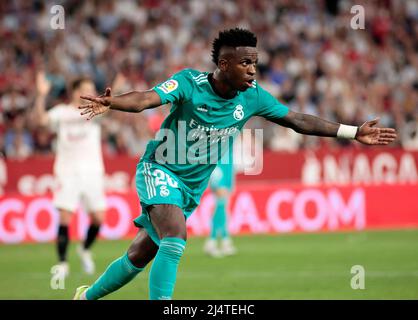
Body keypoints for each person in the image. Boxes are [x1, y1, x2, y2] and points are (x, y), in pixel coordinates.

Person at [73, 28, 396, 300]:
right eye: (245, 63)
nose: (253, 71)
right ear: (224, 64)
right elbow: (145, 99)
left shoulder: (252, 96)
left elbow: (297, 119)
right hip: (160, 169)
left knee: (143, 252)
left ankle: (84, 297)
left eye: (254, 63)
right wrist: (112, 102)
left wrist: (353, 132)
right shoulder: (189, 83)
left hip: (191, 187)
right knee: (175, 235)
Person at [33, 72, 107, 276]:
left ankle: (84, 249)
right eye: (86, 89)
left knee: (99, 219)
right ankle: (63, 264)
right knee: (65, 217)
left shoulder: (94, 110)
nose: (90, 93)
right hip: (67, 172)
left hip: (93, 171)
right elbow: (40, 120)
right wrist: (41, 95)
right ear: (75, 92)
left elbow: (108, 111)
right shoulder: (61, 112)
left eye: (92, 90)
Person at [204, 151, 237, 257]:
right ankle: (214, 240)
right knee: (221, 200)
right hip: (217, 163)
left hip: (228, 163)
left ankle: (223, 239)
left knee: (223, 203)